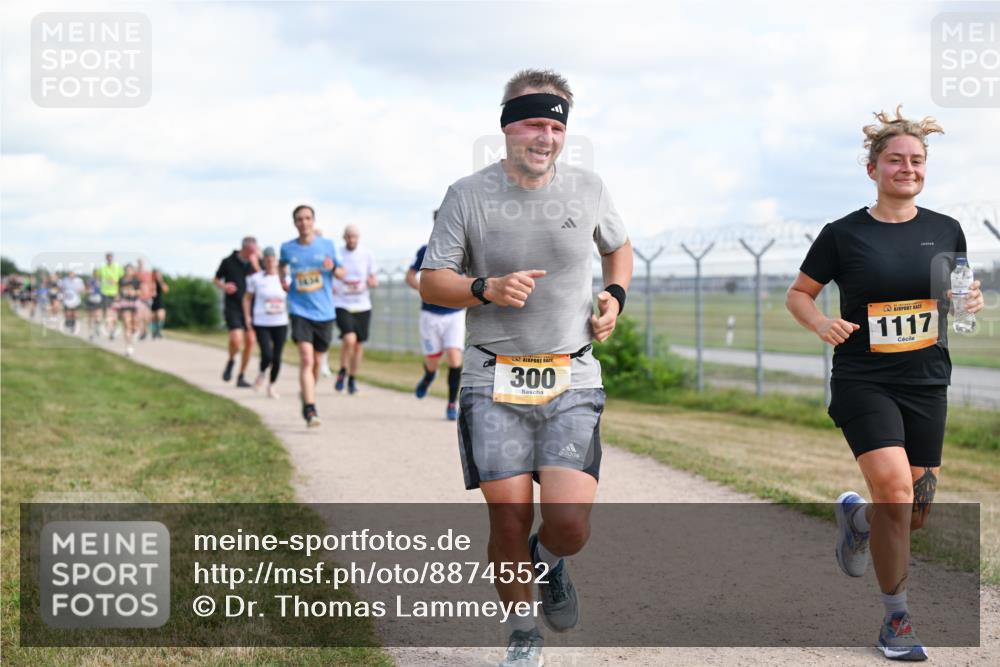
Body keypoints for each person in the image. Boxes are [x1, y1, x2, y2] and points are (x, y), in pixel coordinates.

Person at [419, 69, 632, 667]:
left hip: (572, 375)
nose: (546, 135)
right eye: (535, 122)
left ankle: (552, 561)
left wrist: (615, 296)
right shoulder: (467, 194)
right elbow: (434, 280)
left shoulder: (588, 188)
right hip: (492, 377)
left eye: (557, 124)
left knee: (567, 523)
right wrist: (485, 288)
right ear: (508, 126)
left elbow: (618, 246)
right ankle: (522, 634)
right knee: (507, 516)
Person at [786, 106, 984, 662]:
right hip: (863, 377)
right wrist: (822, 322)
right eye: (895, 159)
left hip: (926, 379)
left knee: (913, 510)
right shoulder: (843, 234)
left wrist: (971, 300)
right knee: (896, 488)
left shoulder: (946, 229)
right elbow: (798, 293)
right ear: (872, 168)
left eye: (916, 160)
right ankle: (897, 621)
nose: (907, 168)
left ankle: (858, 520)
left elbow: (957, 297)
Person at [280, 205, 346, 426]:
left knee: (317, 362)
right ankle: (310, 409)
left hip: (324, 312)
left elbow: (342, 273)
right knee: (306, 359)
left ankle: (308, 393)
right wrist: (283, 281)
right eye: (299, 219)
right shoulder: (288, 248)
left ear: (313, 221)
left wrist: (332, 268)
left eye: (307, 218)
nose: (304, 222)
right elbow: (282, 266)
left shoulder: (327, 245)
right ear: (295, 223)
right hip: (299, 310)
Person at [406, 209, 465, 420]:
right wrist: (422, 288)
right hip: (430, 314)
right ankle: (429, 376)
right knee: (433, 361)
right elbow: (410, 276)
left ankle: (451, 403)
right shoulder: (427, 250)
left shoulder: (464, 249)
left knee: (454, 357)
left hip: (455, 314)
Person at [331, 224, 378, 394]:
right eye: (348, 236)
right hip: (342, 303)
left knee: (358, 345)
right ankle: (342, 370)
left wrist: (372, 282)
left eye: (354, 237)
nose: (351, 240)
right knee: (349, 338)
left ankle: (352, 378)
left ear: (358, 237)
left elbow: (373, 277)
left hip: (362, 305)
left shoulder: (367, 254)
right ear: (344, 237)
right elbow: (332, 273)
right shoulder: (338, 253)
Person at [215, 237, 260, 387]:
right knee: (235, 339)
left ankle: (241, 376)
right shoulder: (228, 261)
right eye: (252, 251)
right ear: (245, 249)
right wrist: (224, 286)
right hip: (233, 306)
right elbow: (215, 279)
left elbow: (265, 280)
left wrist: (255, 264)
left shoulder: (257, 263)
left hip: (253, 308)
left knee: (250, 341)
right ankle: (231, 360)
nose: (254, 254)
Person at [244, 247, 288, 399]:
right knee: (267, 354)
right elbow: (247, 298)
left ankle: (272, 385)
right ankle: (262, 373)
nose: (270, 263)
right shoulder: (256, 278)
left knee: (277, 356)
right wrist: (247, 317)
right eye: (267, 260)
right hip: (262, 321)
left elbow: (293, 296)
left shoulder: (284, 279)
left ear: (276, 261)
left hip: (280, 321)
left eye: (272, 260)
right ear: (264, 261)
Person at [116, 264, 142, 356]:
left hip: (134, 304)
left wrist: (133, 292)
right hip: (124, 304)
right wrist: (117, 303)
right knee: (127, 324)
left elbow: (140, 291)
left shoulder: (136, 281)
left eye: (130, 270)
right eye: (127, 270)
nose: (128, 271)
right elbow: (118, 292)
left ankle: (134, 332)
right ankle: (129, 346)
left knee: (134, 325)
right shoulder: (121, 280)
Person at [97, 252, 124, 339]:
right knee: (107, 313)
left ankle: (113, 330)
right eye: (108, 258)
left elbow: (122, 280)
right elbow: (97, 277)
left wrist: (119, 292)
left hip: (114, 293)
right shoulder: (102, 268)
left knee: (114, 313)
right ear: (106, 258)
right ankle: (109, 329)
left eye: (110, 257)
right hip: (105, 293)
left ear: (112, 258)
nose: (109, 259)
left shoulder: (117, 267)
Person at [58, 270, 85, 334]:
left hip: (76, 300)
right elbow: (61, 288)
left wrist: (80, 290)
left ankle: (73, 324)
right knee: (68, 313)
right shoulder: (65, 280)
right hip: (67, 300)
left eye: (73, 274)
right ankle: (67, 322)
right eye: (70, 274)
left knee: (74, 314)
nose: (71, 275)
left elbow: (83, 289)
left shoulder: (79, 281)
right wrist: (61, 295)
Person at [136, 259, 155, 340]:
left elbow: (153, 284)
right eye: (139, 263)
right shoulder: (135, 274)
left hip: (148, 298)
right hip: (139, 298)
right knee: (140, 316)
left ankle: (145, 331)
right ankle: (141, 333)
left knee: (146, 317)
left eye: (141, 263)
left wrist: (153, 292)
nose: (140, 264)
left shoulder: (148, 273)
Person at [85, 269, 104, 339]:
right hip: (91, 300)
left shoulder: (101, 281)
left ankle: (97, 327)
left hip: (98, 300)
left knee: (98, 316)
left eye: (97, 273)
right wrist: (88, 291)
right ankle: (91, 333)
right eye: (95, 273)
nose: (96, 275)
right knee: (91, 317)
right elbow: (86, 290)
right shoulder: (89, 281)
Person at [150, 269, 169, 339]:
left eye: (158, 274)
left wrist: (160, 281)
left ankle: (158, 331)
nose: (157, 276)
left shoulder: (161, 282)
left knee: (160, 316)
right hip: (151, 301)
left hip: (159, 301)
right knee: (154, 318)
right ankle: (154, 332)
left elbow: (166, 290)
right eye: (156, 274)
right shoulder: (151, 282)